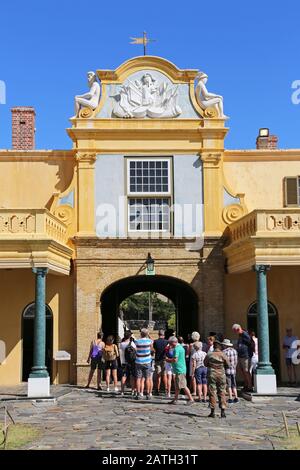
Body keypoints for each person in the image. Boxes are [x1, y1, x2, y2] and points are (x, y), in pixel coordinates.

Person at [204, 340, 230, 418]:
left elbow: (205, 363)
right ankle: (223, 411)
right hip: (221, 374)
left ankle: (212, 411)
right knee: (222, 391)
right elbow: (228, 365)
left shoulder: (209, 354)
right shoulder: (223, 355)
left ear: (214, 346)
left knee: (212, 392)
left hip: (212, 374)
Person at [166, 336, 194, 405]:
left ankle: (191, 399)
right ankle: (175, 399)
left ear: (173, 342)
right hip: (180, 369)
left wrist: (167, 360)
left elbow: (175, 360)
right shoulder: (181, 347)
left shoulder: (177, 349)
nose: (169, 345)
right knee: (177, 386)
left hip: (179, 370)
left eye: (170, 343)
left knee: (183, 385)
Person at [232, 324, 253, 391]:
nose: (235, 333)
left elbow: (250, 342)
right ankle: (246, 384)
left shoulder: (245, 334)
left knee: (246, 371)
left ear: (238, 329)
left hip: (245, 355)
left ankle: (249, 386)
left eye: (235, 331)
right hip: (241, 355)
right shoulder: (240, 335)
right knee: (242, 370)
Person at [134, 328, 153, 400]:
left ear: (141, 334)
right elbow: (152, 347)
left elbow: (135, 347)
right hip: (147, 361)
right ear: (147, 334)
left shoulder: (137, 341)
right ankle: (148, 393)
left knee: (138, 378)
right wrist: (148, 335)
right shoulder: (149, 341)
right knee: (147, 378)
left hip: (138, 361)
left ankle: (138, 393)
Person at [119, 331, 136, 396]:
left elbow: (120, 353)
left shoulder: (121, 344)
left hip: (124, 362)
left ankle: (122, 391)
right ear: (130, 336)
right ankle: (132, 390)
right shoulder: (132, 344)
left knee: (124, 376)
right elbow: (135, 351)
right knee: (132, 376)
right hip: (131, 362)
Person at [222, 339, 239, 404]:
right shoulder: (235, 351)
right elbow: (236, 361)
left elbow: (224, 362)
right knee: (234, 384)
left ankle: (230, 398)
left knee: (229, 385)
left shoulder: (224, 352)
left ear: (225, 345)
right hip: (233, 370)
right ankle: (236, 398)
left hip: (227, 370)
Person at [153, 330, 168, 395]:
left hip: (157, 359)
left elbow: (155, 349)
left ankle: (157, 390)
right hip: (164, 359)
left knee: (158, 375)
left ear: (158, 334)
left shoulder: (155, 341)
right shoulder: (167, 342)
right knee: (164, 375)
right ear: (164, 335)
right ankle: (166, 389)